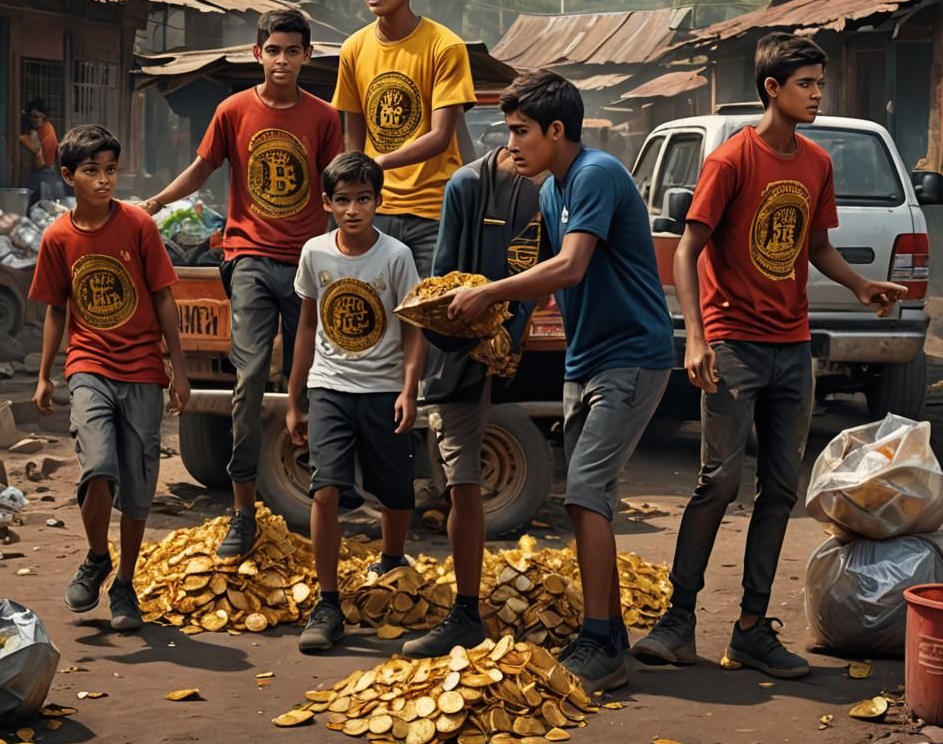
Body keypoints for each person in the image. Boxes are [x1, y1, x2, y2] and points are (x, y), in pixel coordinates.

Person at [632, 33, 906, 679]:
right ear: (772, 90)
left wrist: (860, 284)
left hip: (792, 347)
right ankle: (677, 621)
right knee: (718, 482)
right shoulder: (730, 161)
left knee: (781, 488)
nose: (818, 94)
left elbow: (815, 247)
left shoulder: (816, 162)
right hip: (732, 343)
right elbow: (685, 250)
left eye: (820, 83)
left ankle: (752, 630)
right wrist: (696, 338)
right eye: (807, 84)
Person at [447, 70, 674, 692]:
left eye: (520, 131)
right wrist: (503, 334)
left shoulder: (597, 173)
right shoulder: (552, 189)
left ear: (555, 130)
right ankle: (611, 630)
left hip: (631, 355)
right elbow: (539, 271)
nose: (509, 143)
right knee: (585, 499)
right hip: (588, 357)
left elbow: (570, 268)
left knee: (583, 492)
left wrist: (488, 292)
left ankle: (599, 641)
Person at [142, 9, 343, 558]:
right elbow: (203, 168)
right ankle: (242, 511)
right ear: (259, 54)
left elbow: (338, 190)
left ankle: (328, 492)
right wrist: (158, 202)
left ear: (307, 56)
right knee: (250, 376)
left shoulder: (325, 118)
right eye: (273, 50)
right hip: (249, 255)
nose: (282, 60)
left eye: (292, 51)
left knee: (318, 378)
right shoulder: (233, 110)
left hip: (308, 260)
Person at [29, 124, 190, 631]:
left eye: (111, 170)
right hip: (89, 365)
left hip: (143, 367)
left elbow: (164, 296)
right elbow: (57, 307)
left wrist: (179, 371)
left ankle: (124, 585)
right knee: (98, 467)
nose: (104, 180)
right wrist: (45, 374)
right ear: (68, 176)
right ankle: (97, 556)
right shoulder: (57, 237)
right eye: (92, 171)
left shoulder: (139, 224)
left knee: (139, 487)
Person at [401, 146, 543, 657]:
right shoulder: (467, 185)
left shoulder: (559, 185)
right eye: (517, 133)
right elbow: (443, 280)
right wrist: (476, 333)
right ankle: (466, 610)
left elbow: (556, 269)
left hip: (521, 343)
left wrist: (515, 331)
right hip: (462, 351)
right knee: (463, 482)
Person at [286, 151, 425, 653]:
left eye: (363, 199)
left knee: (395, 491)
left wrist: (409, 390)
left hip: (384, 390)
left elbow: (413, 329)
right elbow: (306, 325)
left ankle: (391, 559)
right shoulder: (315, 253)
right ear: (326, 203)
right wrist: (294, 397)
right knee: (325, 490)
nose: (352, 210)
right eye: (342, 200)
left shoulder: (396, 256)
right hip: (330, 387)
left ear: (378, 202)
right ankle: (328, 603)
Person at [332, 0, 476, 276]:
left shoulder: (445, 47)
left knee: (428, 319)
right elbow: (354, 138)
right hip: (376, 210)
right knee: (375, 321)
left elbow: (441, 136)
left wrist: (376, 163)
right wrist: (359, 188)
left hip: (433, 214)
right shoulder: (353, 49)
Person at [19, 99, 61, 202]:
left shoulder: (46, 128)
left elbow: (37, 149)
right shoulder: (39, 129)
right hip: (44, 171)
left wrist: (23, 139)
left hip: (45, 171)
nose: (38, 120)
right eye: (35, 117)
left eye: (41, 117)